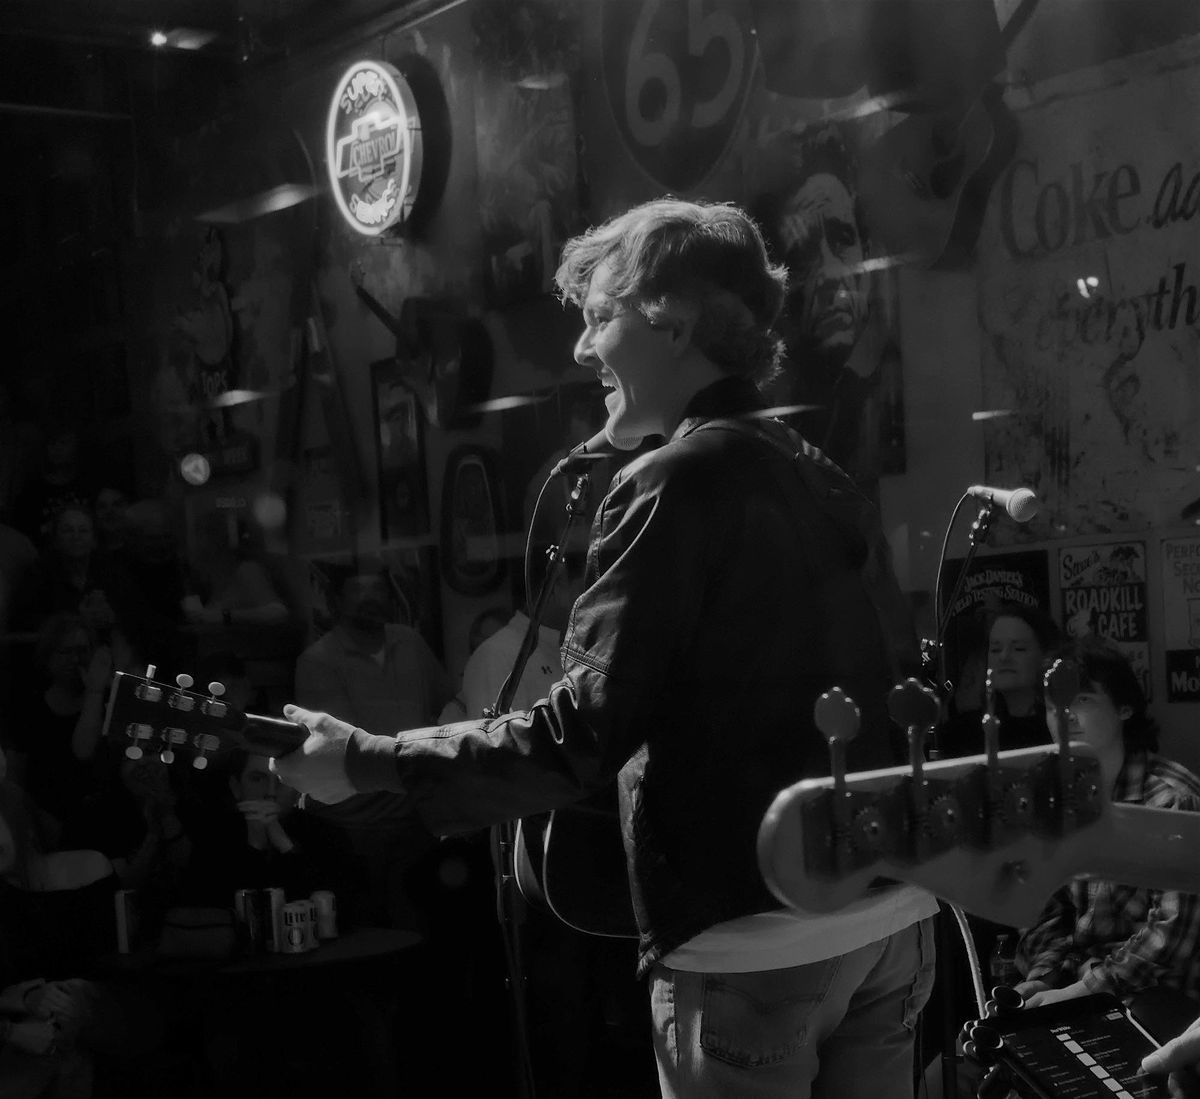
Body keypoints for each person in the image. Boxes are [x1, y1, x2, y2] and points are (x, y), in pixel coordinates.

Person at [274, 197, 935, 1098]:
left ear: (673, 322)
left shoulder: (668, 482)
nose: (584, 350)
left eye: (598, 317)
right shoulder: (821, 472)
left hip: (753, 949)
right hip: (890, 926)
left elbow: (576, 737)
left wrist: (363, 760)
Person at [1014, 638, 1200, 1007]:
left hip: (1166, 994)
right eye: (1053, 705)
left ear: (1124, 708)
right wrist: (1044, 978)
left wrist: (1079, 992)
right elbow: (1047, 912)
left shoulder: (1171, 800)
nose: (1064, 715)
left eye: (1082, 700)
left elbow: (1173, 937)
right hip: (1084, 979)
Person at [292, 568, 453, 930]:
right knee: (367, 930)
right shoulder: (318, 660)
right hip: (353, 827)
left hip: (413, 816)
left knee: (423, 927)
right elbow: (345, 751)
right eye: (357, 590)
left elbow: (448, 704)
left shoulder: (410, 642)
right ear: (337, 601)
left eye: (378, 589)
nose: (369, 597)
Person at [938, 602, 1062, 758]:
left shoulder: (1063, 727)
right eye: (995, 650)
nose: (1004, 657)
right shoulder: (964, 733)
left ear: (1045, 655)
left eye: (1019, 649)